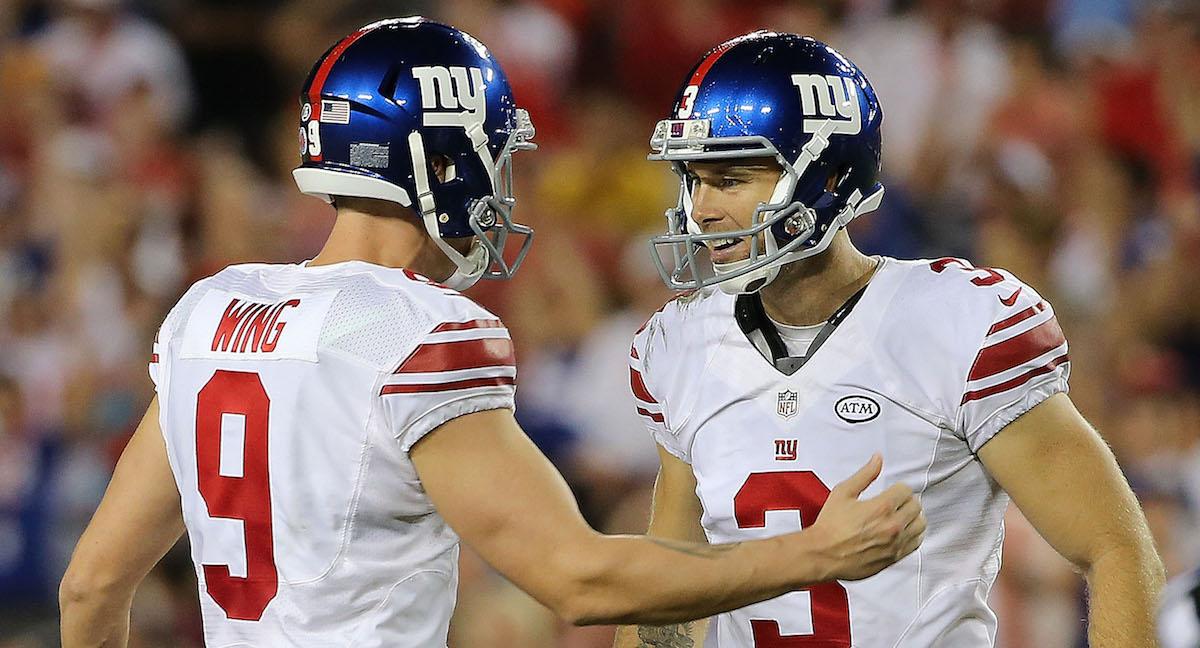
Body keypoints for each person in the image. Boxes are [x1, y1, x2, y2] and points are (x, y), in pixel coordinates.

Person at [57, 18, 927, 647]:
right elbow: (579, 579)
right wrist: (810, 553)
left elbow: (92, 587)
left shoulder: (211, 311)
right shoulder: (414, 329)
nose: (500, 184)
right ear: (439, 160)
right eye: (489, 154)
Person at [614, 31, 1163, 648]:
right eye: (693, 179)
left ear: (826, 175)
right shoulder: (681, 345)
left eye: (732, 177)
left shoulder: (954, 325)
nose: (702, 209)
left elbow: (1115, 548)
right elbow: (669, 599)